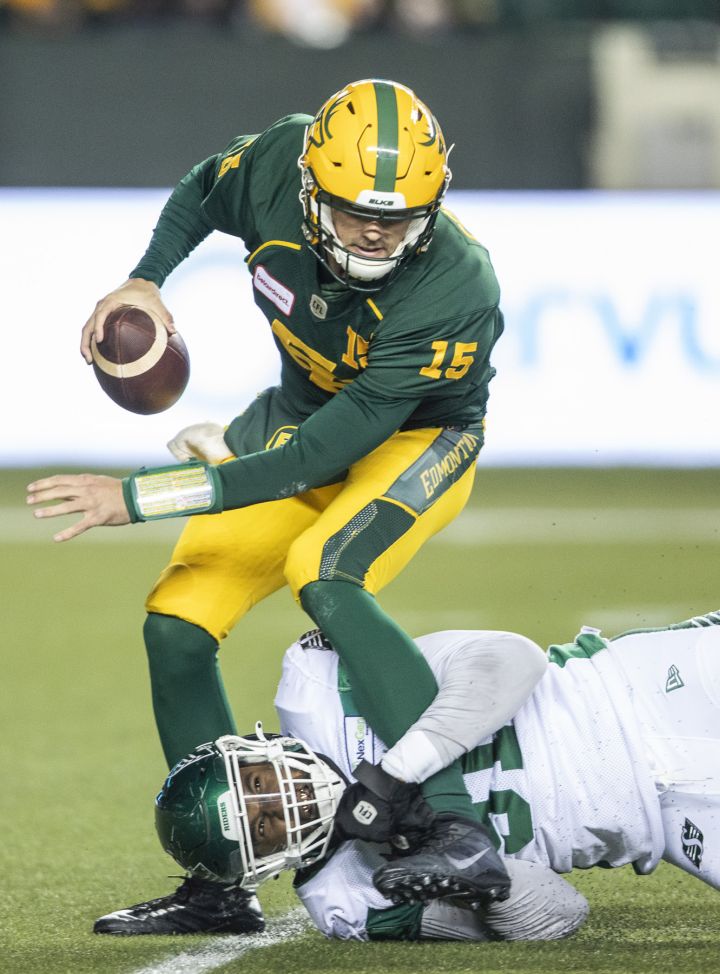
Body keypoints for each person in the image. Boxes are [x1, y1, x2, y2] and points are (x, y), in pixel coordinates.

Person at [27, 80, 509, 931]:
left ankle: (456, 823)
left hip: (413, 438)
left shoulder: (456, 288)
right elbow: (202, 188)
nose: (377, 231)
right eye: (358, 210)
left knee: (323, 571)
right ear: (310, 185)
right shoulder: (277, 161)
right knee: (175, 623)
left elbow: (315, 462)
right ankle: (220, 881)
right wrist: (143, 281)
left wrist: (135, 499)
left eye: (400, 217)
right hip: (297, 414)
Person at [95, 611, 720, 940]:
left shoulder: (314, 683)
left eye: (257, 783)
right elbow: (557, 915)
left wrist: (396, 776)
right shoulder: (344, 903)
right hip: (669, 824)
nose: (282, 801)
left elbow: (512, 658)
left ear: (251, 747)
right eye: (264, 824)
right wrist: (479, 888)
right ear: (263, 865)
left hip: (641, 689)